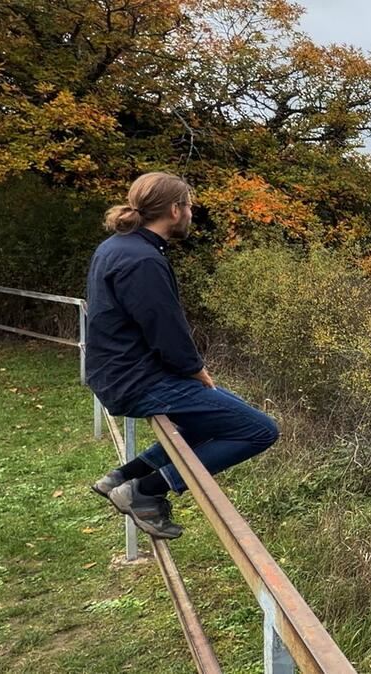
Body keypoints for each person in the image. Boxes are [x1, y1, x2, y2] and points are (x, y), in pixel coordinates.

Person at [85, 172, 279, 539]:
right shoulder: (143, 260)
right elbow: (165, 329)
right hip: (138, 379)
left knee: (221, 412)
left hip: (120, 371)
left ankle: (123, 476)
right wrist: (195, 371)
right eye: (189, 205)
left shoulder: (117, 246)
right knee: (260, 430)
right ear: (175, 210)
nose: (192, 212)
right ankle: (145, 491)